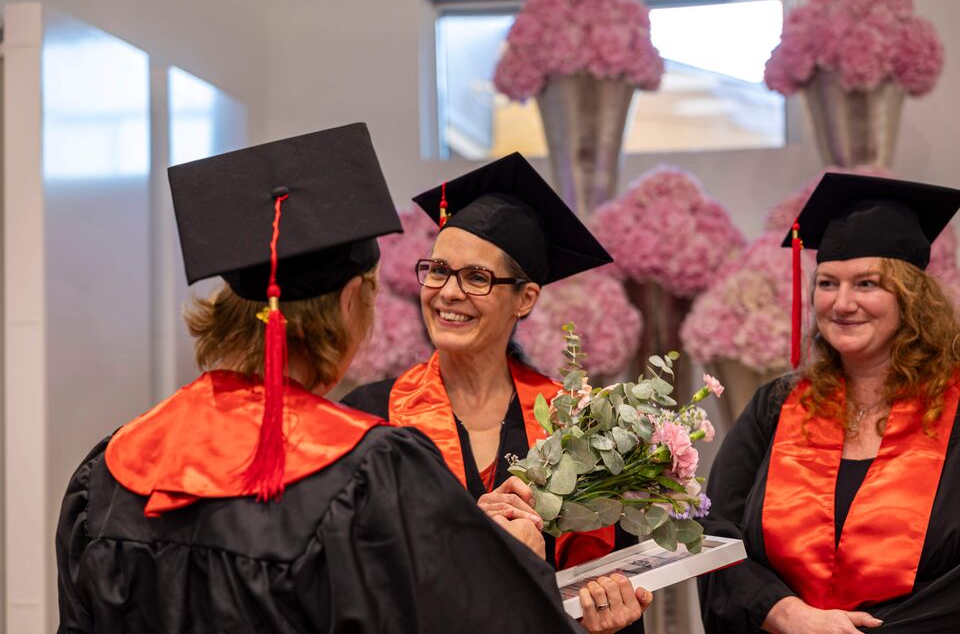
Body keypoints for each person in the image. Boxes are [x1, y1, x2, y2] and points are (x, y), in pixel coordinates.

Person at [55, 125, 632, 633]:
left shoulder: (110, 466)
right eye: (436, 271)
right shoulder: (372, 469)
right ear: (351, 300)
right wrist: (503, 565)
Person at [342, 153, 649, 633]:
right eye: (438, 270)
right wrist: (467, 537)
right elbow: (345, 579)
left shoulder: (579, 426)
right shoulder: (367, 417)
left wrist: (611, 620)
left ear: (525, 298)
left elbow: (607, 588)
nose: (448, 292)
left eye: (476, 277)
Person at [698, 173, 960, 634]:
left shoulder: (954, 407)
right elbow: (713, 531)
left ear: (912, 299)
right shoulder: (775, 406)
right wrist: (786, 613)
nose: (841, 303)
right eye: (827, 283)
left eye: (866, 284)